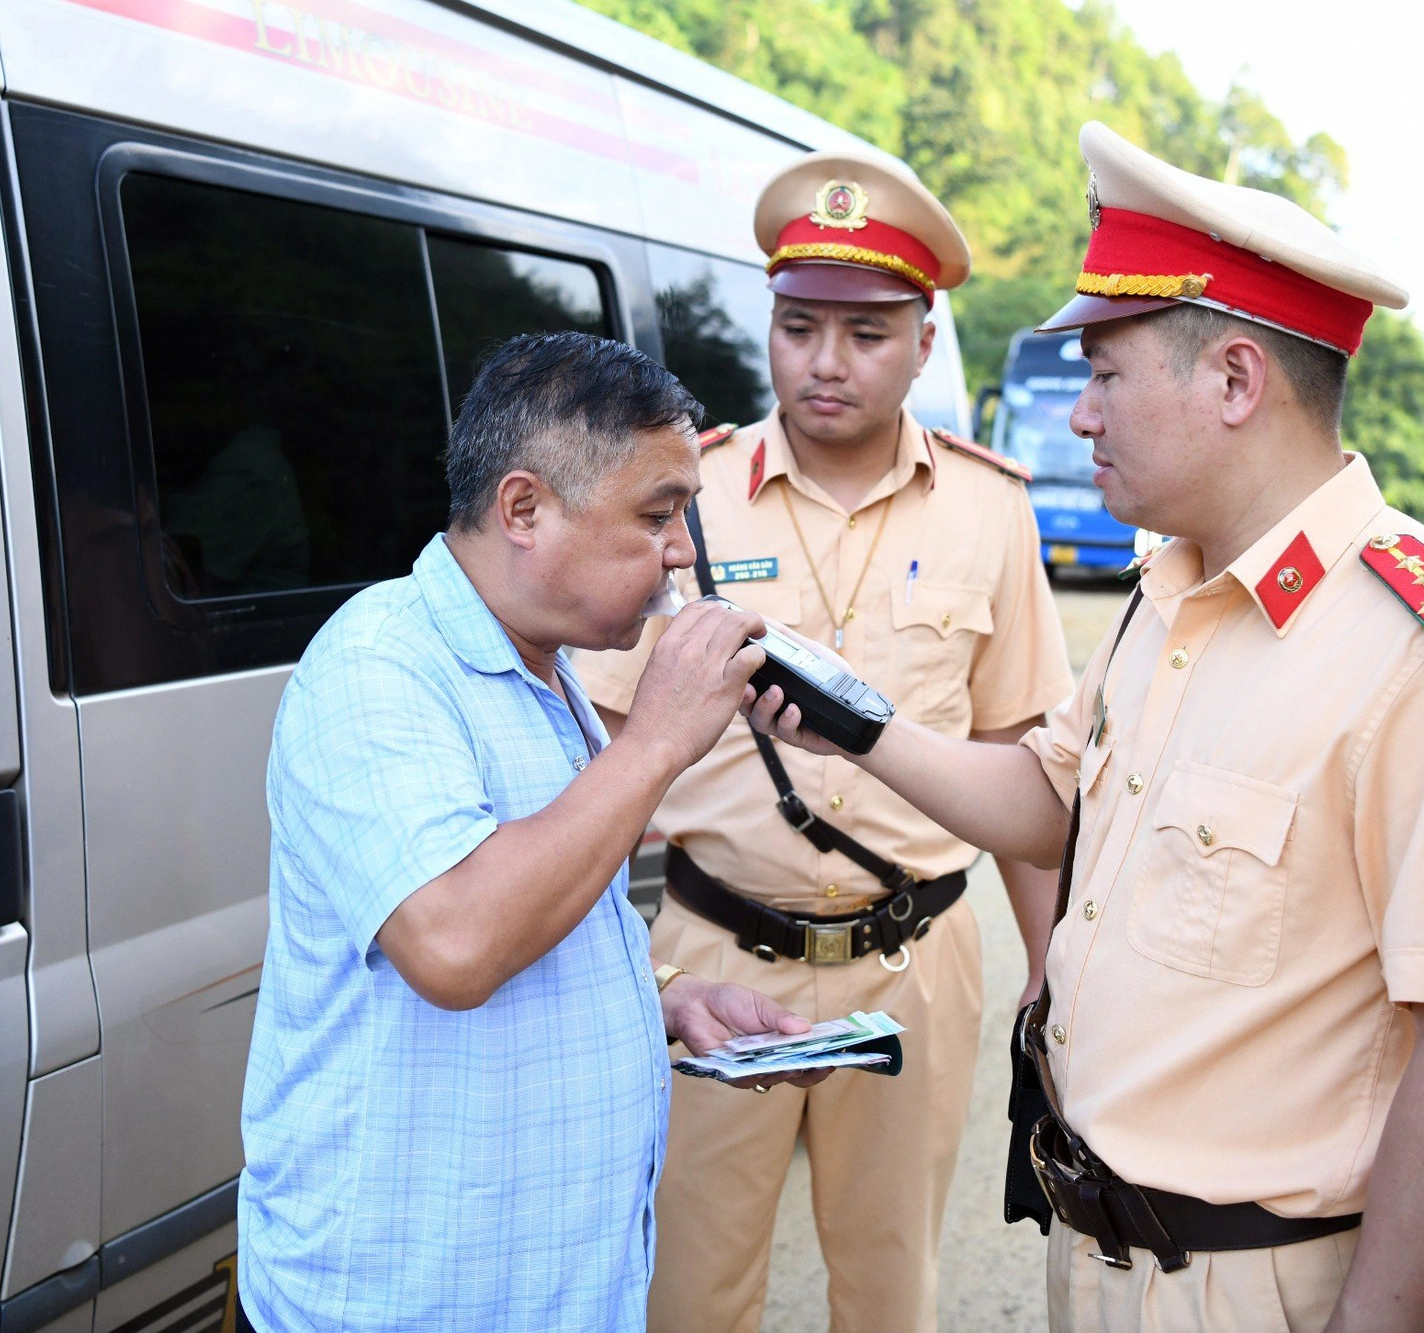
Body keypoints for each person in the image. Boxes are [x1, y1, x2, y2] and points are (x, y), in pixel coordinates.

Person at [750, 123, 1424, 1333]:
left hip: (1254, 1288)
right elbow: (1047, 804)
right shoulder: (1170, 589)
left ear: (1233, 380)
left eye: (1105, 373)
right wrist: (856, 727)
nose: (1078, 416)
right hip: (1093, 1259)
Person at [237, 332, 830, 1332]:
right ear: (522, 508)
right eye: (655, 515)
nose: (683, 549)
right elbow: (457, 942)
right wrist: (653, 743)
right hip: (403, 1306)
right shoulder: (377, 666)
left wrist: (671, 998)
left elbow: (545, 891)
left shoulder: (544, 669)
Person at [575, 149, 1075, 1333]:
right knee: (688, 1290)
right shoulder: (683, 496)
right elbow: (593, 750)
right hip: (708, 955)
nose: (826, 362)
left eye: (864, 333)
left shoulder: (989, 508)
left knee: (889, 1285)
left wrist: (1057, 974)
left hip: (915, 963)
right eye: (798, 328)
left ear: (921, 339)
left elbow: (1021, 765)